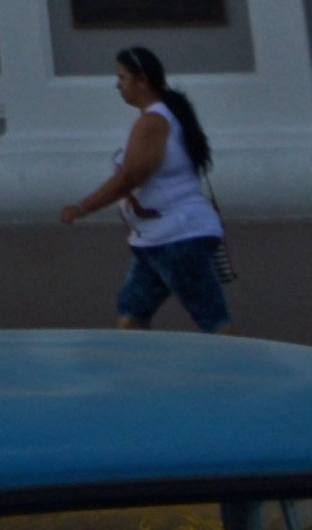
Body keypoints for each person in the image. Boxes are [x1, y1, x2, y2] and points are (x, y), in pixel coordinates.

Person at [59, 47, 228, 331]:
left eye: (122, 77)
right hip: (157, 239)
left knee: (214, 321)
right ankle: (140, 362)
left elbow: (131, 177)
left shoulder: (153, 122)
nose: (117, 85)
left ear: (142, 81)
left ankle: (242, 360)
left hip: (178, 238)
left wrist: (82, 207)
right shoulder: (165, 117)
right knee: (132, 315)